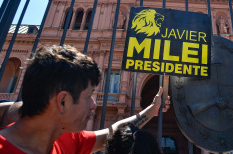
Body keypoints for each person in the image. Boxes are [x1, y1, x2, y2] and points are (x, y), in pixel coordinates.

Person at [0, 45, 170, 153]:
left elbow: (113, 131)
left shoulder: (67, 139)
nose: (93, 105)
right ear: (62, 101)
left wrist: (152, 110)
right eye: (88, 97)